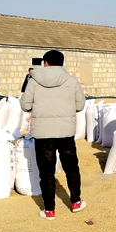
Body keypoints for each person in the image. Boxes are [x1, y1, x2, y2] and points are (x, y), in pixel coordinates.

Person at [20, 50, 86, 220]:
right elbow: (80, 106)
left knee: (46, 172)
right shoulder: (71, 81)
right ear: (62, 63)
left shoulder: (33, 81)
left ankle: (49, 210)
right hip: (65, 132)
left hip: (43, 133)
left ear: (45, 62)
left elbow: (25, 106)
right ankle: (76, 202)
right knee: (71, 169)